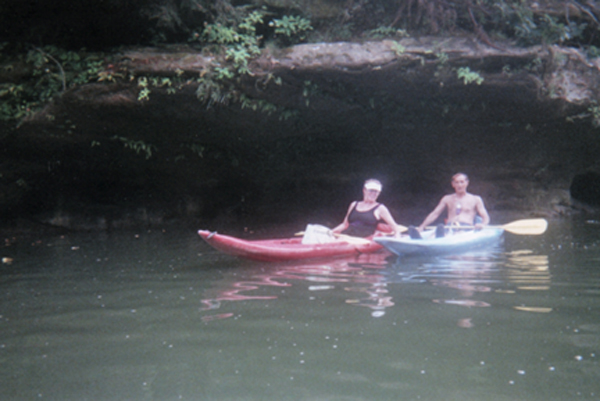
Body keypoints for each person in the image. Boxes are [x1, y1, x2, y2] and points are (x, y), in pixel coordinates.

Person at [409, 173, 490, 239]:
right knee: (433, 236)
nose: (459, 185)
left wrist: (483, 225)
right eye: (457, 182)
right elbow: (435, 213)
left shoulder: (476, 199)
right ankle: (422, 239)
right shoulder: (447, 198)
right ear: (453, 184)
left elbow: (485, 217)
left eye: (462, 182)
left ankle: (441, 238)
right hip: (449, 226)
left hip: (466, 228)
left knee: (455, 235)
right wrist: (422, 226)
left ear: (467, 183)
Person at [331, 179, 403, 238]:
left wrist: (397, 238)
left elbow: (395, 227)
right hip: (346, 236)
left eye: (376, 191)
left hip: (364, 240)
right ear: (364, 190)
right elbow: (344, 225)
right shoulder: (354, 204)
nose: (373, 193)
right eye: (371, 190)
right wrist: (330, 232)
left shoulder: (380, 208)